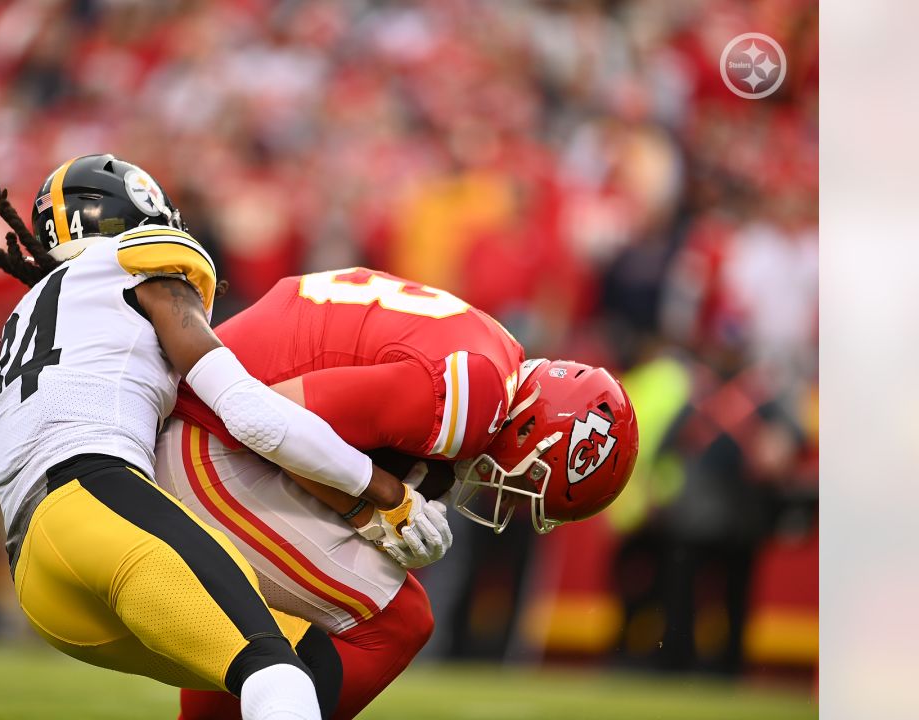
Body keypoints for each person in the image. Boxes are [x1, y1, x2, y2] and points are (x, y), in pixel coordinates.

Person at [0, 155, 452, 720]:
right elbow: (249, 414)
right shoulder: (142, 268)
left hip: (35, 576)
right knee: (279, 675)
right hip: (98, 506)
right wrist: (385, 494)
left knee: (299, 664)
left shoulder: (35, 307)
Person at [158, 267, 640, 719]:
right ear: (532, 429)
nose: (510, 498)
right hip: (207, 428)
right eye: (531, 483)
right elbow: (268, 418)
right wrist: (374, 506)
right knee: (394, 621)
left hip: (219, 413)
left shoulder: (496, 357)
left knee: (270, 620)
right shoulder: (474, 398)